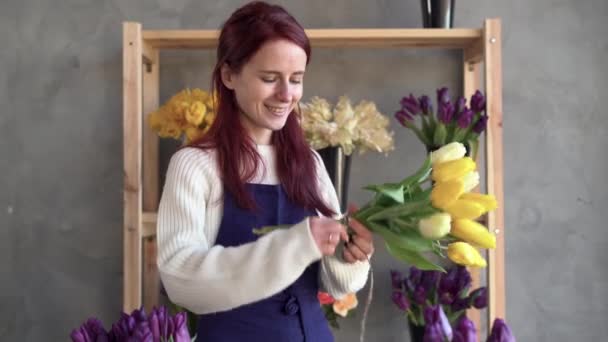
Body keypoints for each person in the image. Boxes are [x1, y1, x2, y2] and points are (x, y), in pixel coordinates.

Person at [157, 2, 374, 341]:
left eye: (296, 79)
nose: (286, 95)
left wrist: (348, 256)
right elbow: (180, 280)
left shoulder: (310, 164)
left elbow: (335, 284)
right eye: (270, 78)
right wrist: (298, 244)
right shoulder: (196, 165)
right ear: (229, 75)